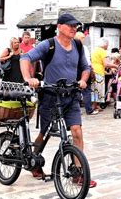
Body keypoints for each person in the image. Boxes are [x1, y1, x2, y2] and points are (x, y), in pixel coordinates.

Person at [20, 13, 97, 188]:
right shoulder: (49, 45)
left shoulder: (78, 45)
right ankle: (34, 161)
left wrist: (84, 79)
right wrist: (28, 78)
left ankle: (78, 174)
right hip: (50, 96)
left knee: (76, 132)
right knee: (45, 132)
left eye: (75, 26)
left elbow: (85, 67)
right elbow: (25, 58)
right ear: (59, 26)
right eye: (70, 25)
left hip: (71, 95)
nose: (73, 28)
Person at [91, 38, 118, 112]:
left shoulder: (95, 50)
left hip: (93, 71)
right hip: (99, 71)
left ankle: (96, 106)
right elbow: (106, 64)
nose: (108, 47)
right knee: (99, 89)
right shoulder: (103, 51)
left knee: (94, 89)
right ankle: (95, 106)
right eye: (107, 45)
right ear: (105, 44)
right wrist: (115, 66)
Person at [74, 32, 98, 115]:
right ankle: (89, 110)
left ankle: (76, 110)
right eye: (83, 38)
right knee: (86, 90)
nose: (84, 40)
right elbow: (87, 61)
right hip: (84, 70)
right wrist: (91, 69)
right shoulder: (84, 48)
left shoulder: (71, 47)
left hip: (74, 70)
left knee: (75, 90)